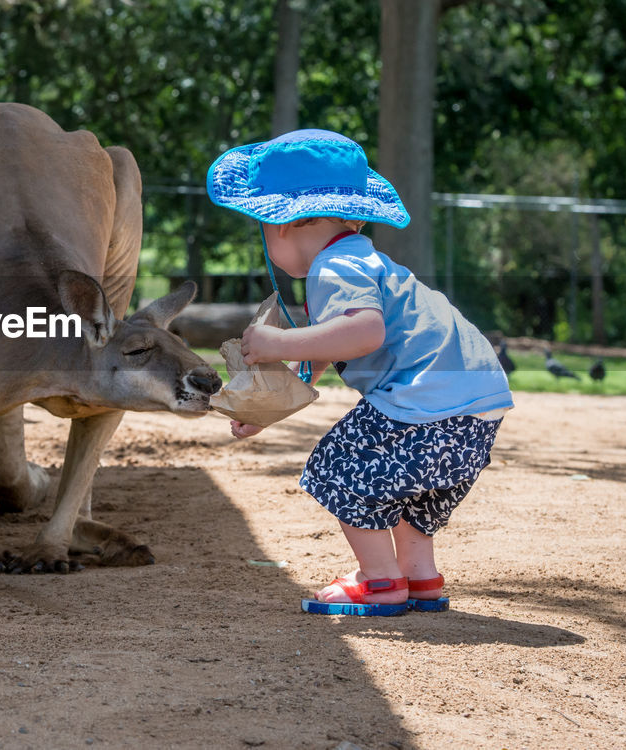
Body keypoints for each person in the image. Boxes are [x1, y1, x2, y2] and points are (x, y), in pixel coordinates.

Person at [206, 129, 513, 616]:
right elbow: (327, 351)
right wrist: (269, 408)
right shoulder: (364, 261)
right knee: (415, 490)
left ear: (285, 223)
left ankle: (379, 581)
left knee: (338, 466)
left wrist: (277, 341)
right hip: (478, 407)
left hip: (423, 403)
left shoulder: (335, 269)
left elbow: (363, 333)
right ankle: (419, 577)